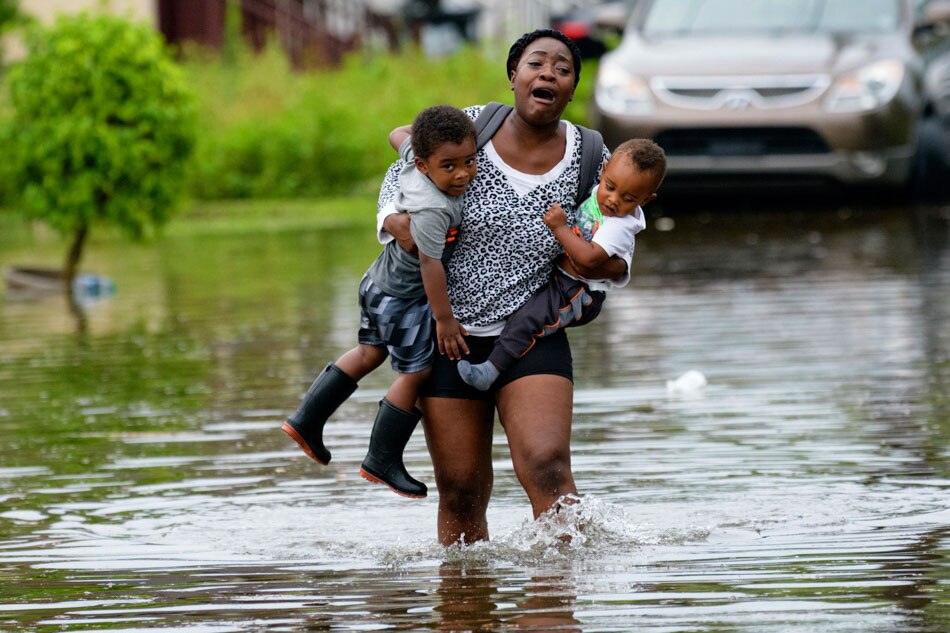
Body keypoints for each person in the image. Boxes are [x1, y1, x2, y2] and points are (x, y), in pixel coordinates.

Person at [377, 29, 629, 544]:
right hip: (448, 333)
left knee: (547, 466)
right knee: (461, 488)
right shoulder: (470, 126)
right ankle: (465, 608)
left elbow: (623, 218)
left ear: (571, 89)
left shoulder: (592, 155)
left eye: (563, 69)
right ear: (513, 76)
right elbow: (400, 174)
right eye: (536, 63)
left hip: (532, 330)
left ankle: (559, 602)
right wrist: (397, 223)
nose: (548, 73)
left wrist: (609, 264)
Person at [281, 104, 476, 499]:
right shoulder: (434, 208)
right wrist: (444, 320)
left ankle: (306, 420)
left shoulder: (413, 158)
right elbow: (429, 263)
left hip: (376, 284)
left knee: (370, 352)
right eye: (449, 166)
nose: (462, 174)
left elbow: (396, 133)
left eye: (469, 161)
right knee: (416, 373)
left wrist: (420, 138)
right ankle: (382, 459)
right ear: (424, 166)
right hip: (403, 297)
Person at [457, 139, 666, 390]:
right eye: (610, 187)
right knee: (523, 311)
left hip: (577, 293)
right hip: (562, 280)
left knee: (529, 319)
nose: (613, 199)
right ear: (604, 170)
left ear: (646, 200)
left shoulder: (619, 226)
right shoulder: (597, 192)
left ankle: (490, 371)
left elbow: (588, 259)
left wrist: (559, 228)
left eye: (628, 198)